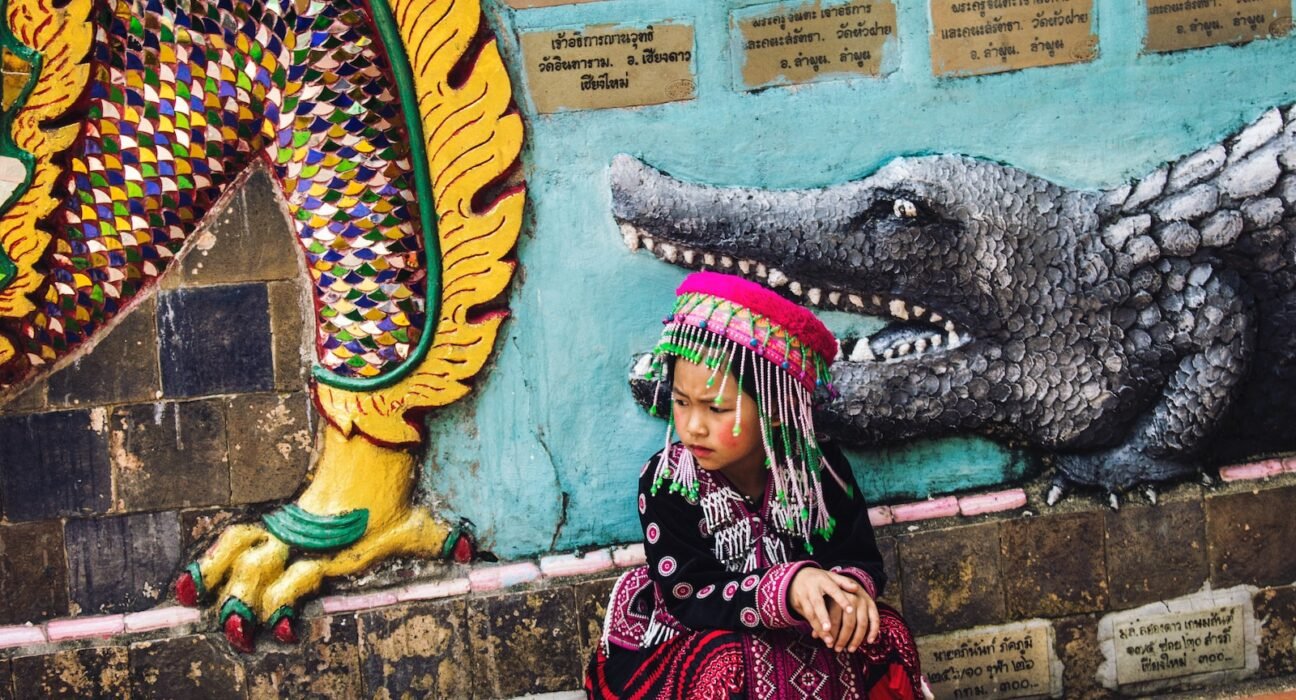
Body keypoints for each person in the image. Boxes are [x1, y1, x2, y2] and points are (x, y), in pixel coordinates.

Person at [585, 271, 931, 700]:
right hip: (702, 633)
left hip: (809, 627)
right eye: (680, 401)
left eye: (716, 408)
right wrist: (786, 587)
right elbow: (688, 595)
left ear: (777, 409)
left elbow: (857, 555)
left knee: (885, 632)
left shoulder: (820, 470)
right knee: (729, 663)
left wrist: (849, 593)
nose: (693, 426)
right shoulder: (667, 482)